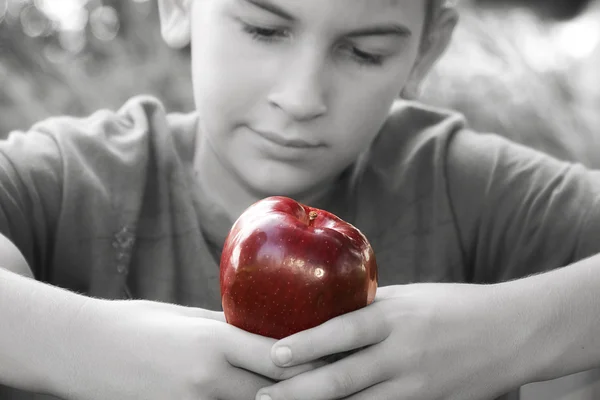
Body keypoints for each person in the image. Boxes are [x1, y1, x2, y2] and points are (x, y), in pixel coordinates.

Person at [0, 1, 599, 400]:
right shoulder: (63, 181)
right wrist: (87, 345)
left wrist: (510, 333)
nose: (302, 96)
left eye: (364, 51)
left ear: (425, 51)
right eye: (264, 29)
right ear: (179, 5)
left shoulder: (471, 186)